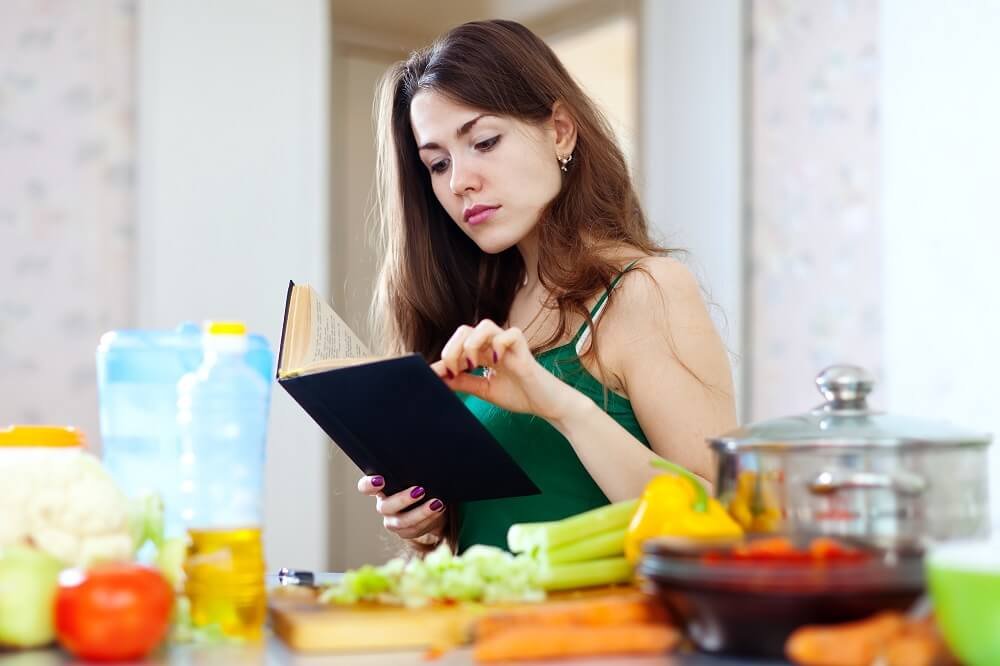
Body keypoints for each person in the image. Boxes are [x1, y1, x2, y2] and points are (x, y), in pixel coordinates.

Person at [356, 19, 736, 554]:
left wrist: (558, 405)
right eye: (437, 164)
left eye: (484, 141)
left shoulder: (646, 290)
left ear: (560, 129)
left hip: (604, 635)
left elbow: (716, 526)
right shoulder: (478, 309)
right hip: (479, 629)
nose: (459, 180)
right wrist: (428, 518)